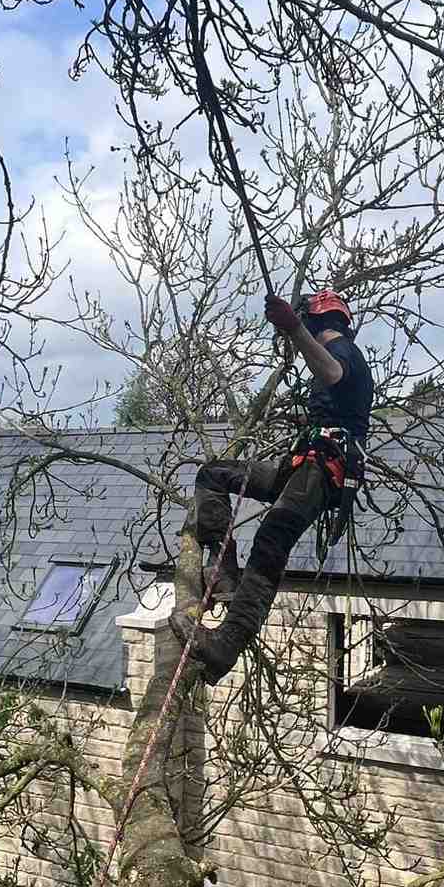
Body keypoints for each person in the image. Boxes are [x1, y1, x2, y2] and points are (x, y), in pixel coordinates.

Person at [172, 290, 374, 684]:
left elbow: (331, 372)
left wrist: (293, 327)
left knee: (270, 541)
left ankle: (227, 644)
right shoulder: (334, 353)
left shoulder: (344, 352)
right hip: (302, 465)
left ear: (317, 324)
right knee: (213, 474)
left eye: (307, 327)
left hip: (323, 469)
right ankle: (225, 574)